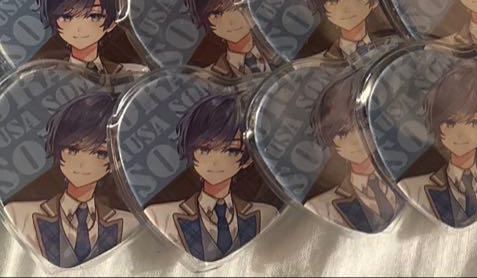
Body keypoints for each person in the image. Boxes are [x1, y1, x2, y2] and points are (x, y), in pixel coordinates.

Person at [5, 92, 137, 266]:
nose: (82, 164)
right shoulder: (20, 214)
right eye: (72, 150)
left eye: (100, 153)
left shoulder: (128, 223)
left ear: (115, 161)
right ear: (58, 149)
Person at [145, 94, 277, 262]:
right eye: (205, 149)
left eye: (231, 150)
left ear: (248, 158)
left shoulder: (267, 215)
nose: (215, 162)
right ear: (190, 150)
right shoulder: (161, 216)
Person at [399, 64, 477, 227]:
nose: (460, 134)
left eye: (474, 122)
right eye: (450, 123)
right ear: (437, 124)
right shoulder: (414, 188)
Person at [304, 71, 401, 232]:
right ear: (331, 139)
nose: (357, 139)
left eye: (363, 125)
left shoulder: (408, 174)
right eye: (343, 133)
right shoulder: (324, 206)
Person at [183, 0, 273, 78]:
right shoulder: (208, 77)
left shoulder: (283, 47)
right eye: (217, 13)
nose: (231, 21)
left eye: (239, 6)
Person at [35, 0, 127, 74]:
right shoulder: (49, 75)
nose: (79, 29)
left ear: (112, 23)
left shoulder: (127, 72)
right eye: (67, 17)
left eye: (94, 16)